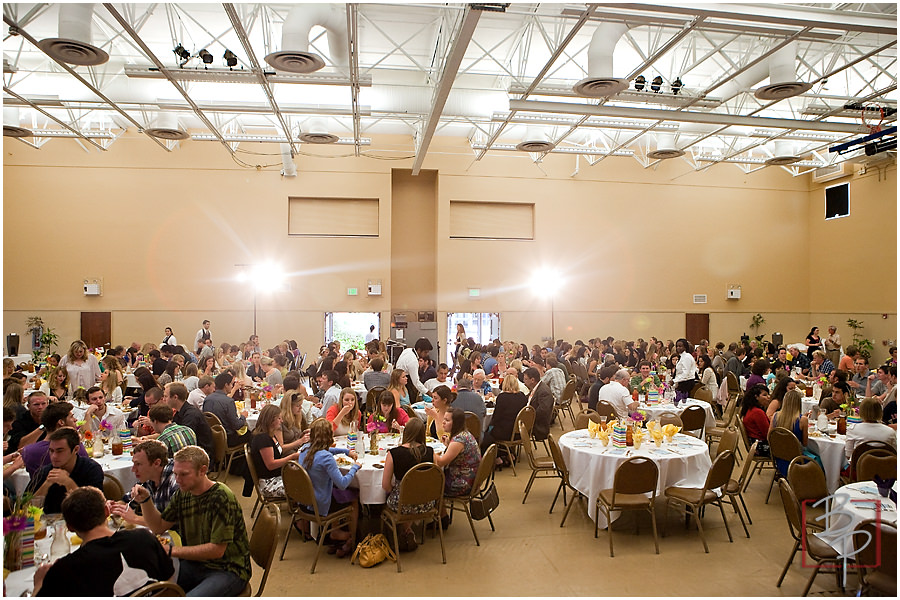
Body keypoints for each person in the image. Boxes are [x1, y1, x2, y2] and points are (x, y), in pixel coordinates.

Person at [133, 445, 250, 596]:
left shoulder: (221, 497)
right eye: (175, 474)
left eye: (184, 474)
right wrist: (145, 501)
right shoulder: (183, 494)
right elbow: (158, 527)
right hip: (198, 564)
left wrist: (170, 551)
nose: (177, 480)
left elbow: (216, 550)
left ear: (203, 470)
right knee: (152, 588)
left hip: (228, 569)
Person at [32, 486, 174, 597]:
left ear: (70, 527)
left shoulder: (66, 568)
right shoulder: (144, 538)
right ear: (107, 512)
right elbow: (170, 586)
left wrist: (39, 584)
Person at [298, 419, 361, 558]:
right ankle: (353, 537)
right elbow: (343, 483)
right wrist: (355, 467)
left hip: (305, 501)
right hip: (320, 503)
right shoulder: (326, 458)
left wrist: (345, 451)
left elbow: (326, 450)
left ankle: (336, 532)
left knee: (334, 490)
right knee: (353, 497)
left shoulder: (304, 449)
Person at [381, 417, 435, 551]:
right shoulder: (430, 452)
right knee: (411, 494)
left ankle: (400, 532)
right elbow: (436, 477)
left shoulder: (394, 453)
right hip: (426, 503)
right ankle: (408, 531)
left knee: (395, 497)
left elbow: (385, 485)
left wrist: (397, 489)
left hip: (401, 505)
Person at [27, 428, 104, 513]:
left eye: (60, 451)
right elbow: (26, 510)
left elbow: (95, 508)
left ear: (76, 449)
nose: (54, 456)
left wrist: (69, 483)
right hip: (51, 523)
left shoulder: (91, 469)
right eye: (51, 451)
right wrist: (46, 484)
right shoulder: (44, 472)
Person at [110, 440, 179, 526]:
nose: (133, 469)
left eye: (138, 464)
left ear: (156, 463)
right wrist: (114, 507)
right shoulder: (149, 476)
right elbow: (128, 501)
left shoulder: (176, 481)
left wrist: (135, 518)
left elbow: (172, 523)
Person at [434, 407, 480, 527]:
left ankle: (442, 518)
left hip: (463, 482)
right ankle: (442, 516)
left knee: (431, 484)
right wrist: (448, 445)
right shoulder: (465, 435)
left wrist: (428, 451)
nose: (443, 422)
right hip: (472, 477)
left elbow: (441, 462)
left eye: (447, 420)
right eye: (444, 419)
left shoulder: (459, 440)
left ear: (456, 423)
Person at [249, 405, 302, 499]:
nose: (281, 421)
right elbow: (271, 464)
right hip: (269, 482)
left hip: (276, 476)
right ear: (270, 420)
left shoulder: (271, 435)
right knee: (307, 484)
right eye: (279, 418)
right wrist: (292, 457)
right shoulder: (263, 439)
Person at [21, 401, 86, 476]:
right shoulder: (74, 447)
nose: (75, 420)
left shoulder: (28, 451)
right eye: (71, 417)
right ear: (61, 422)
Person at [481, 373, 528, 458]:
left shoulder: (502, 397)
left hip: (505, 432)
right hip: (519, 431)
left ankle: (499, 456)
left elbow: (496, 418)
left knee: (485, 434)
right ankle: (507, 453)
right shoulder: (522, 397)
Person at [165, 382, 214, 458]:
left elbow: (184, 440)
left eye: (166, 396)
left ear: (175, 397)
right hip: (192, 451)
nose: (163, 399)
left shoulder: (191, 415)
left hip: (200, 456)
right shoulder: (180, 412)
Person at [768, 389, 810, 476]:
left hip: (779, 457)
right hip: (797, 459)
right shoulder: (802, 420)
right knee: (819, 460)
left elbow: (769, 437)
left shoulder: (775, 416)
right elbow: (805, 443)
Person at [202, 372, 249, 447]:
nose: (231, 386)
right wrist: (243, 416)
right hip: (227, 438)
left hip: (212, 435)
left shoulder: (207, 399)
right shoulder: (228, 401)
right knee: (253, 434)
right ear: (226, 385)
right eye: (231, 384)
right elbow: (237, 425)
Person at [395, 337, 433, 403]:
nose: (427, 354)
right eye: (425, 352)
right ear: (419, 350)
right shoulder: (413, 361)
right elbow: (416, 382)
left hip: (397, 376)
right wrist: (428, 392)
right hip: (405, 380)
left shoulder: (408, 350)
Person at [523, 367, 553, 441]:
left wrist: (526, 417)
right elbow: (528, 399)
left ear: (532, 380)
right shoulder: (536, 388)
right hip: (531, 419)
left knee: (510, 425)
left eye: (526, 379)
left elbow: (542, 412)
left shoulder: (543, 391)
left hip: (538, 426)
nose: (524, 381)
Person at [740, 384, 771, 456]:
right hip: (760, 446)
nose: (768, 397)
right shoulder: (757, 412)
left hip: (754, 444)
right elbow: (768, 434)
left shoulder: (750, 409)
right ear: (756, 397)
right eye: (765, 395)